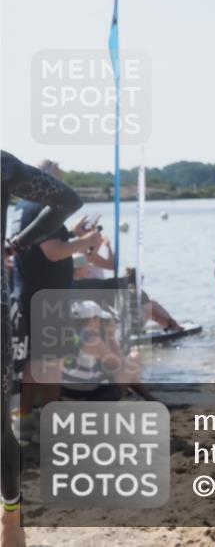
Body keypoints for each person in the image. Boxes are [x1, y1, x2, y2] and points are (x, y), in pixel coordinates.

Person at [2, 151, 82, 547]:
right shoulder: (5, 168)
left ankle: (11, 520)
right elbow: (67, 202)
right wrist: (18, 244)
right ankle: (11, 523)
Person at [9, 160, 103, 431]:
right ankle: (48, 423)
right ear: (44, 180)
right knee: (52, 363)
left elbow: (38, 243)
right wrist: (87, 242)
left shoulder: (22, 206)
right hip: (47, 297)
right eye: (58, 181)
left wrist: (72, 233)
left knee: (36, 360)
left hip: (29, 292)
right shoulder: (43, 204)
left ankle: (25, 418)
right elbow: (54, 252)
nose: (61, 187)